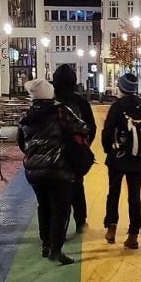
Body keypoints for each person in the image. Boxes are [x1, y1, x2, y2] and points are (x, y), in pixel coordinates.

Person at [16, 78, 85, 266]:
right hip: (59, 168)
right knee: (61, 209)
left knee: (43, 205)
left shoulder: (27, 116)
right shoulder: (62, 111)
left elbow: (22, 143)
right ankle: (56, 248)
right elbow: (81, 129)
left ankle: (46, 244)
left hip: (34, 170)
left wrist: (35, 155)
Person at [101, 70, 141, 250]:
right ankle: (133, 235)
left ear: (121, 87)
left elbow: (107, 131)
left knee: (114, 192)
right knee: (135, 196)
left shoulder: (117, 107)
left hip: (118, 157)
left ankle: (111, 229)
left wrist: (108, 150)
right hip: (137, 159)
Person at [52, 62, 96, 233]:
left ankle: (56, 230)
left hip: (53, 153)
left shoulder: (51, 101)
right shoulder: (80, 102)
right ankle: (80, 222)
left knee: (56, 192)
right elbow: (91, 126)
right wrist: (84, 145)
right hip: (75, 151)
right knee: (77, 187)